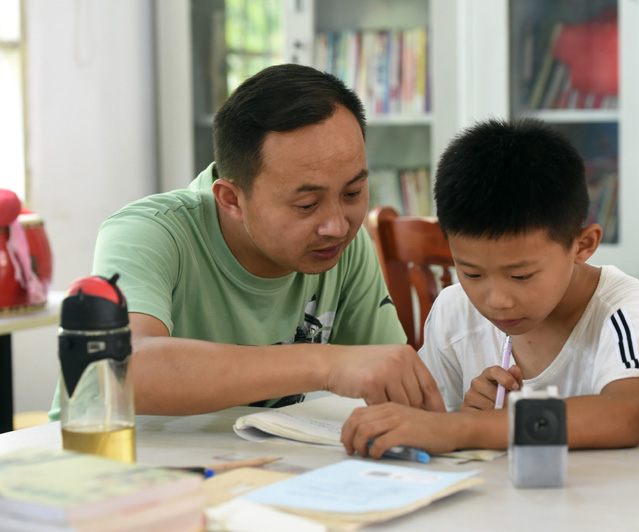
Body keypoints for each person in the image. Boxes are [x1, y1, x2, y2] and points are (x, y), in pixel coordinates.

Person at [49, 63, 444, 420]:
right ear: (232, 199)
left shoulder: (341, 246)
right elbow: (121, 366)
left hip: (259, 473)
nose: (337, 225)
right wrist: (325, 364)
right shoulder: (149, 233)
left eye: (353, 193)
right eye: (307, 204)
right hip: (118, 472)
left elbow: (389, 382)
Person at [341, 118, 639, 457]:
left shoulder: (626, 310)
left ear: (583, 245)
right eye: (471, 273)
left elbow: (626, 415)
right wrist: (464, 416)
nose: (497, 301)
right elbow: (426, 422)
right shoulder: (454, 311)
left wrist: (467, 428)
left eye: (521, 276)